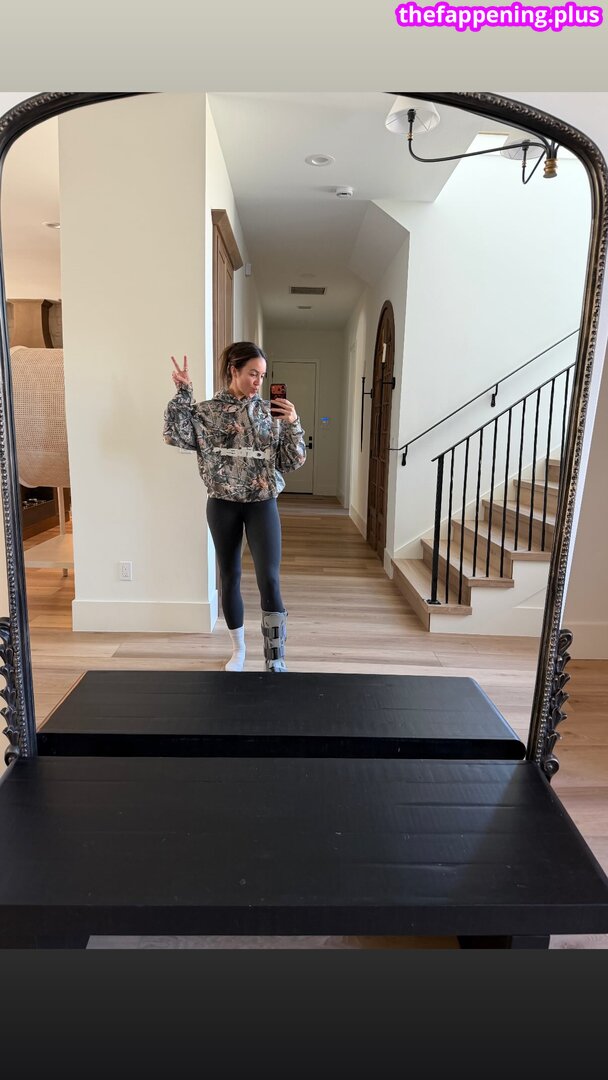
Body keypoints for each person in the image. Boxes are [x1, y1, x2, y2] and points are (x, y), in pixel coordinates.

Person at [163, 341, 306, 672]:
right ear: (234, 370)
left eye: (263, 375)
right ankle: (238, 651)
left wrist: (293, 422)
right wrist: (183, 392)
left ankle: (275, 658)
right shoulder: (207, 412)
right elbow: (174, 434)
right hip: (222, 504)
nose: (258, 381)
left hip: (262, 504)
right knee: (229, 576)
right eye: (253, 373)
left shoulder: (271, 413)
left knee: (269, 578)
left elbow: (291, 461)